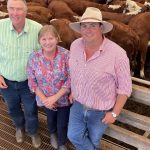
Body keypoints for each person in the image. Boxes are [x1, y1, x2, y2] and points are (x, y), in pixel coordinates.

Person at [68, 7, 132, 150]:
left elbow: (125, 88)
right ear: (80, 28)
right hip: (78, 105)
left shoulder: (118, 54)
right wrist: (74, 89)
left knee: (94, 140)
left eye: (93, 25)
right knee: (73, 135)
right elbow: (75, 71)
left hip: (100, 111)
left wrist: (114, 113)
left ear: (101, 28)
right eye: (84, 25)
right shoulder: (75, 46)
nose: (87, 29)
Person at [0, 0, 42, 148]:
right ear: (7, 9)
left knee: (31, 110)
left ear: (26, 11)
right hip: (6, 82)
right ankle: (19, 127)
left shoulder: (38, 29)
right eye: (11, 8)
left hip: (28, 83)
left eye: (19, 9)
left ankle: (32, 132)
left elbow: (43, 57)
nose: (15, 13)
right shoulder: (0, 27)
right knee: (12, 108)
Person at [27, 25, 71, 150]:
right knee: (50, 119)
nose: (47, 42)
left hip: (63, 99)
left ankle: (62, 142)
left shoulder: (66, 55)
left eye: (51, 38)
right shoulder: (34, 57)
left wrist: (55, 97)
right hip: (45, 99)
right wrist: (45, 100)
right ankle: (52, 134)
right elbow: (32, 81)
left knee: (62, 122)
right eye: (44, 39)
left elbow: (71, 78)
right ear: (39, 41)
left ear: (57, 38)